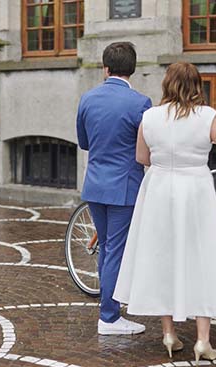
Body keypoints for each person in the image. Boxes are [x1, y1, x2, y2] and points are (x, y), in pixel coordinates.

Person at [113, 62, 216, 362]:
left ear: (166, 84)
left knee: (161, 256)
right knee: (202, 257)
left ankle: (169, 334)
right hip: (195, 189)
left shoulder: (150, 116)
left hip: (157, 189)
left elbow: (141, 156)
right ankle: (202, 341)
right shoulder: (207, 117)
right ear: (198, 85)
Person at [76, 42, 152, 335]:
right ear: (132, 70)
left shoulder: (87, 98)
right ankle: (108, 316)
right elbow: (147, 145)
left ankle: (110, 310)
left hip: (95, 185)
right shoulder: (140, 103)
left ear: (105, 69)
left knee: (107, 247)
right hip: (125, 187)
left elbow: (83, 142)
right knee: (115, 250)